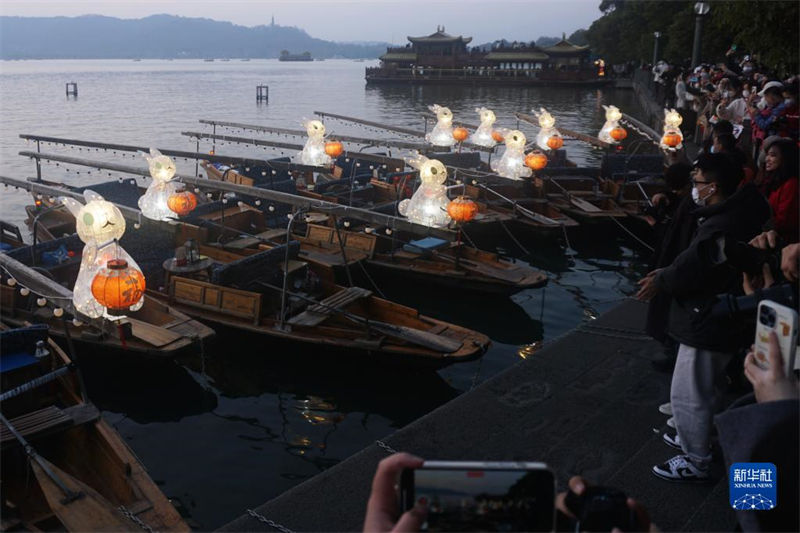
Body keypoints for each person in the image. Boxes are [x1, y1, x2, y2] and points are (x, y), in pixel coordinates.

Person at [636, 153, 770, 482]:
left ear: (712, 187)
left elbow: (694, 266)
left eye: (697, 183)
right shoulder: (741, 209)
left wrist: (661, 279)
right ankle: (695, 436)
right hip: (718, 315)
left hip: (707, 317)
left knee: (690, 391)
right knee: (704, 386)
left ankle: (695, 458)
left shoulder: (722, 224)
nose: (693, 189)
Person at [761, 138, 799, 243]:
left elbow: (785, 222)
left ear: (786, 158)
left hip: (781, 241)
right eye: (767, 155)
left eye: (773, 155)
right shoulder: (772, 178)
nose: (767, 159)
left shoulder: (792, 184)